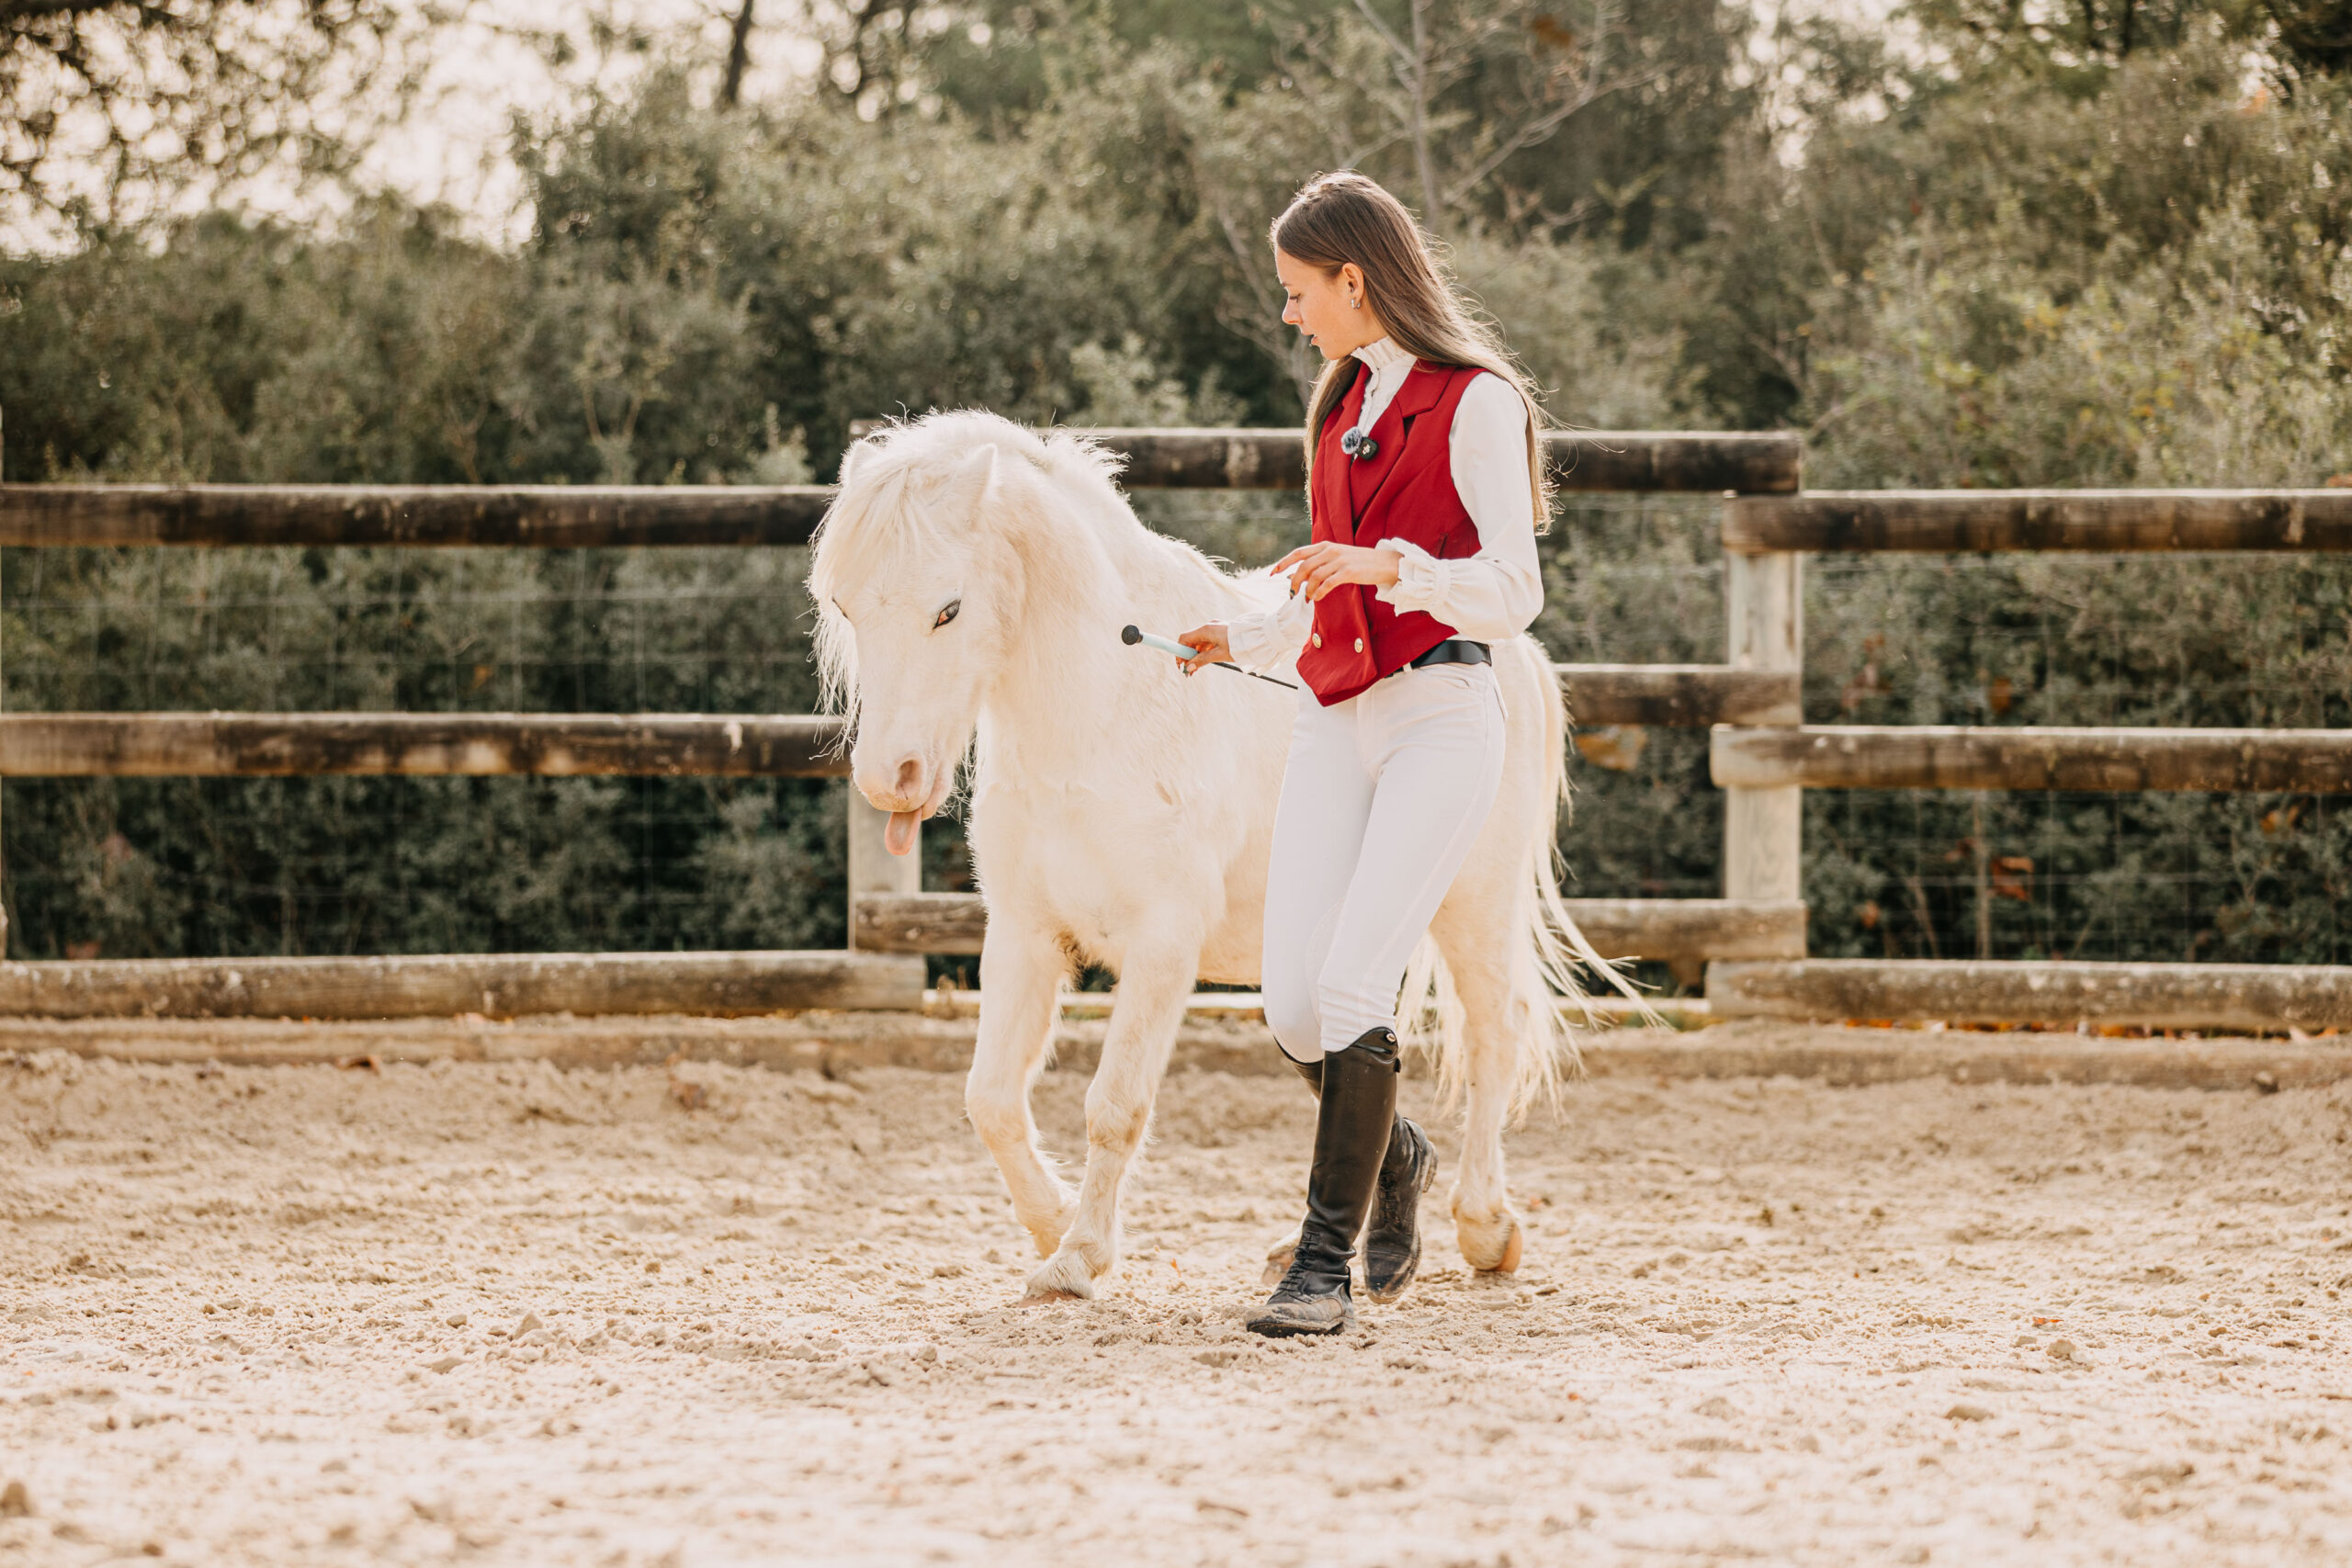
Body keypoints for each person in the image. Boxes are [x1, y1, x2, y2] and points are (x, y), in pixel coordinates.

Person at [1177, 171, 1554, 1338]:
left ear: (1356, 277)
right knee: (1291, 1008)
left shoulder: (1475, 401)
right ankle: (1397, 1156)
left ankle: (1323, 1268)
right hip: (1333, 716)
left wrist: (1400, 567)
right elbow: (1322, 595)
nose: (1291, 316)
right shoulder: (1341, 403)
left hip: (1441, 716)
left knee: (1353, 987)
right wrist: (1234, 636)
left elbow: (1515, 592)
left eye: (1299, 294)